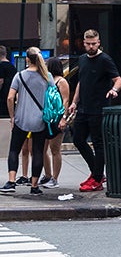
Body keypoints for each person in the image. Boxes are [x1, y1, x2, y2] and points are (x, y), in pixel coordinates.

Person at [67, 28, 121, 192]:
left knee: (98, 143)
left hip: (99, 108)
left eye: (94, 43)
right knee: (78, 139)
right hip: (83, 107)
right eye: (88, 44)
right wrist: (74, 102)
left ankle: (97, 178)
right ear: (84, 43)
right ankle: (96, 172)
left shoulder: (105, 60)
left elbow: (118, 80)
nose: (91, 46)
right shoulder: (83, 59)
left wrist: (114, 90)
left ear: (99, 43)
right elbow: (81, 82)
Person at [5, 48, 54, 196]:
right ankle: (34, 186)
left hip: (22, 119)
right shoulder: (47, 76)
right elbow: (53, 97)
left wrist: (12, 116)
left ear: (27, 59)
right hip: (40, 120)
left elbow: (10, 98)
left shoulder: (19, 76)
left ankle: (11, 182)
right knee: (38, 151)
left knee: (14, 149)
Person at [43, 57, 69, 188]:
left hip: (57, 118)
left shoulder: (61, 81)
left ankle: (55, 178)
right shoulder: (47, 80)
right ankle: (47, 175)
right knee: (42, 148)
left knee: (55, 148)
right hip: (47, 118)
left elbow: (65, 100)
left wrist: (63, 118)